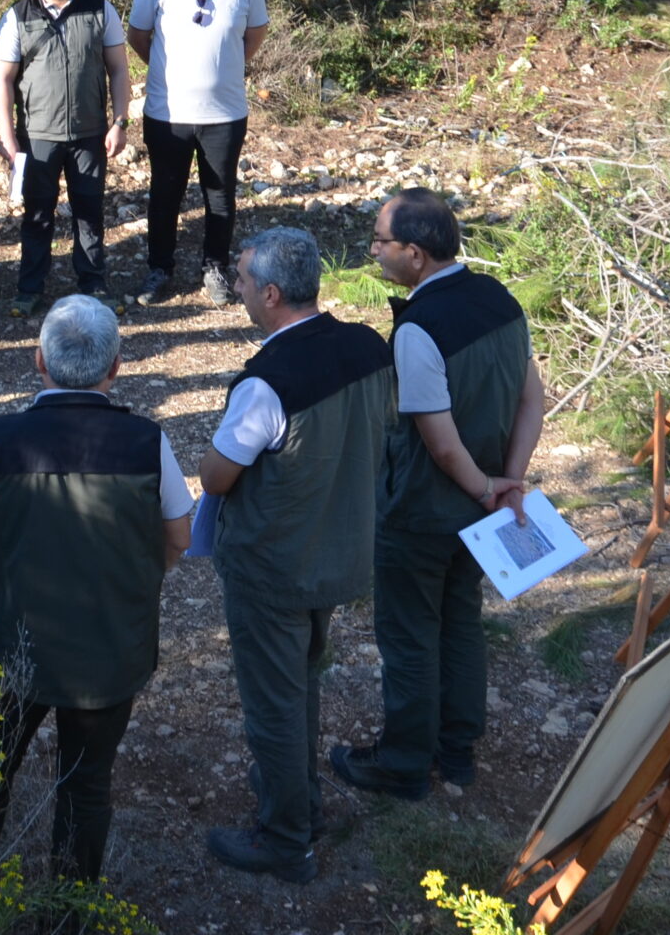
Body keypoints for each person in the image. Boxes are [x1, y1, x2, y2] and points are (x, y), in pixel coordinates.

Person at [0, 297, 191, 881]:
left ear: (38, 361)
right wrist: (133, 581)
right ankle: (68, 911)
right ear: (117, 368)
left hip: (15, 641)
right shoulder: (148, 442)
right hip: (110, 647)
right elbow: (178, 535)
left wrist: (3, 575)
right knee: (86, 783)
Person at [331, 188, 544, 803]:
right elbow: (534, 398)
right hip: (484, 509)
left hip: (423, 511)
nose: (372, 250)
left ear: (416, 255)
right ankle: (456, 753)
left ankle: (401, 764)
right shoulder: (501, 302)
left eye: (380, 241)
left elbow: (441, 441)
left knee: (410, 636)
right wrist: (510, 481)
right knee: (461, 623)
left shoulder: (418, 329)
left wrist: (482, 488)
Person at [195, 227, 392, 882]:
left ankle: (286, 838)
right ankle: (299, 804)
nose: (241, 291)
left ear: (272, 294)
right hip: (338, 554)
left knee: (274, 704)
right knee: (301, 683)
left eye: (245, 282)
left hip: (273, 566)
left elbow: (218, 476)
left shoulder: (267, 382)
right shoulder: (367, 346)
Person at [127, 0, 270, 307]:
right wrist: (165, 71)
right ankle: (160, 269)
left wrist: (229, 67)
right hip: (167, 113)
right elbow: (138, 36)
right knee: (165, 194)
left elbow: (255, 33)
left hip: (224, 115)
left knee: (220, 196)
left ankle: (215, 268)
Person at [0, 0, 134, 316]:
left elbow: (119, 70)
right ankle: (30, 289)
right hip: (37, 136)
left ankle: (93, 284)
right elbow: (3, 81)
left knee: (89, 212)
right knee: (38, 215)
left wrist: (120, 121)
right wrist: (8, 138)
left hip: (90, 133)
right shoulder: (16, 17)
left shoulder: (99, 9)